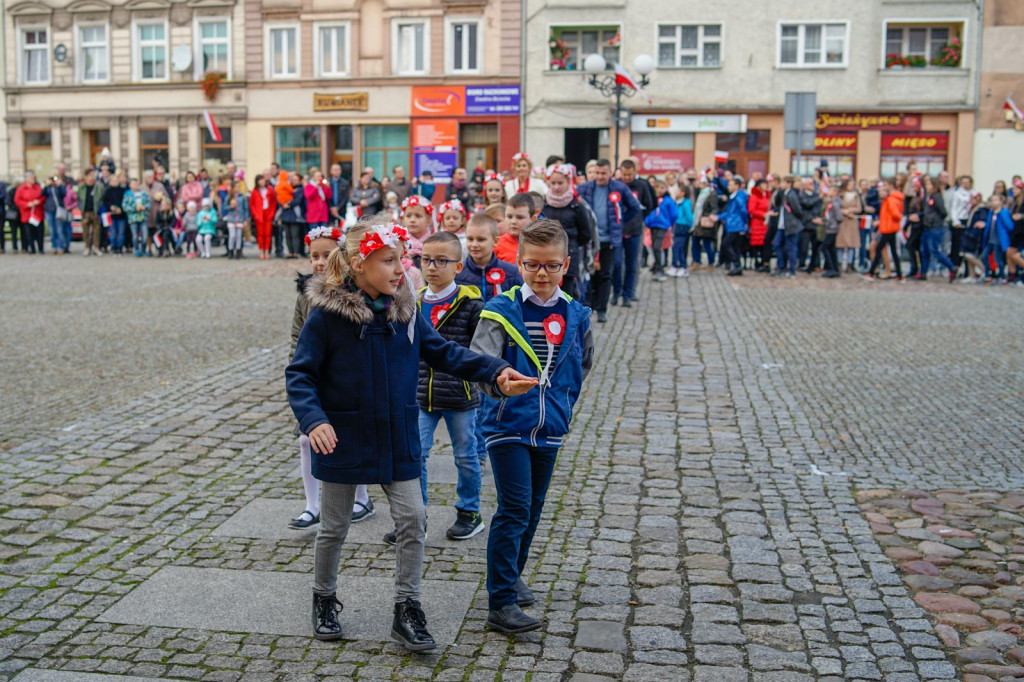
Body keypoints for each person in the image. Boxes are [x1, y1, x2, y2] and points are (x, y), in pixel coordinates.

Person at [286, 218, 535, 648]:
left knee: (413, 519)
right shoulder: (326, 316)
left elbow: (445, 352)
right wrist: (314, 419)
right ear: (359, 265)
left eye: (401, 259)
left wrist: (496, 371)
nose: (401, 268)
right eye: (389, 260)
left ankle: (407, 608)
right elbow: (300, 374)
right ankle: (323, 598)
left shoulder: (406, 312)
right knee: (334, 526)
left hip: (397, 435)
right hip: (344, 436)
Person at [470, 219, 594, 634]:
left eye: (551, 265)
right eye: (533, 265)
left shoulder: (576, 313)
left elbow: (582, 364)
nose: (542, 273)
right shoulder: (500, 310)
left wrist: (563, 403)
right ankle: (500, 602)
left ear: (566, 265)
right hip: (507, 422)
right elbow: (481, 362)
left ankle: (511, 574)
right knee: (515, 507)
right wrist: (499, 384)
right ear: (519, 262)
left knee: (534, 508)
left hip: (550, 426)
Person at [388, 231, 490, 543]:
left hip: (459, 393)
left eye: (441, 261)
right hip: (420, 393)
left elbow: (480, 349)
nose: (432, 267)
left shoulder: (471, 304)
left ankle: (469, 512)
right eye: (426, 260)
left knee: (466, 456)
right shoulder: (412, 301)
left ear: (458, 266)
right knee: (415, 454)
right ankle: (416, 518)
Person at [288, 225, 376, 530]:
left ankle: (362, 498)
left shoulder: (353, 290)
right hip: (315, 379)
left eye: (326, 255)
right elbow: (297, 337)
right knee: (306, 438)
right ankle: (312, 505)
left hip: (346, 379)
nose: (320, 262)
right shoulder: (305, 293)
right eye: (314, 256)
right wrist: (299, 372)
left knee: (352, 436)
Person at [576, 159, 641, 323]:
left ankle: (602, 309)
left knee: (606, 274)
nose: (599, 176)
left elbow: (635, 207)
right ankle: (589, 306)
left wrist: (620, 221)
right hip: (590, 240)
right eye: (597, 173)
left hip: (609, 240)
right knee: (590, 274)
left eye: (603, 173)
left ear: (610, 173)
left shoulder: (619, 188)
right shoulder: (584, 188)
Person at [542, 163, 592, 298]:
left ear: (568, 182)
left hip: (569, 255)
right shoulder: (544, 204)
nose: (556, 187)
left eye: (560, 183)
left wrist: (571, 244)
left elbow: (586, 233)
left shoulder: (576, 206)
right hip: (546, 256)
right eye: (553, 183)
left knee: (566, 294)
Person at [612, 160, 655, 305]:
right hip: (617, 231)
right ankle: (616, 291)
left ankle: (628, 294)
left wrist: (639, 218)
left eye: (630, 175)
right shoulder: (615, 185)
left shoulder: (642, 186)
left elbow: (649, 204)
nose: (627, 177)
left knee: (632, 264)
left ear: (635, 172)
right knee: (617, 263)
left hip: (635, 230)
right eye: (624, 174)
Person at [917, 175, 957, 282]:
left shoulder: (936, 196)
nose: (927, 186)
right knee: (924, 250)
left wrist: (933, 220)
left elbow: (943, 212)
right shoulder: (927, 197)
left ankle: (951, 266)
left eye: (929, 184)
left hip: (935, 227)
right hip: (926, 227)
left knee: (934, 250)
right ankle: (923, 272)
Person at [865, 179, 904, 282]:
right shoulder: (891, 199)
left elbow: (896, 214)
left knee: (879, 250)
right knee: (892, 251)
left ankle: (872, 272)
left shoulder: (890, 200)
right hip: (888, 227)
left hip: (888, 228)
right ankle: (899, 274)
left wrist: (885, 221)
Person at [644, 179, 679, 282]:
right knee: (653, 246)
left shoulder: (667, 200)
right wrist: (648, 220)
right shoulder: (652, 199)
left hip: (662, 225)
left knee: (657, 246)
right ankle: (656, 265)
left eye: (663, 188)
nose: (661, 190)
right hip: (652, 225)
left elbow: (674, 213)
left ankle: (660, 268)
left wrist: (668, 222)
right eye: (659, 188)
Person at [770, 176, 805, 278]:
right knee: (776, 244)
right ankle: (781, 267)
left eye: (783, 183)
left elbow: (797, 210)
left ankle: (792, 270)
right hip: (782, 225)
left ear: (789, 183)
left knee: (791, 248)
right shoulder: (783, 194)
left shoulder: (791, 195)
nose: (781, 184)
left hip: (790, 225)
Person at [494, 193, 535, 264]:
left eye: (520, 217)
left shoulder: (540, 244)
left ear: (533, 219)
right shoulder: (497, 244)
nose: (513, 222)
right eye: (509, 217)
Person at [76, 169, 105, 257]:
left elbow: (101, 197)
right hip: (85, 211)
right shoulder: (82, 187)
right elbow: (78, 198)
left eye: (93, 175)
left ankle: (96, 247)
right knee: (86, 231)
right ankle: (87, 247)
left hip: (95, 211)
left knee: (96, 231)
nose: (91, 177)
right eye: (90, 175)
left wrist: (99, 206)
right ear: (86, 176)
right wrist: (81, 207)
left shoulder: (98, 186)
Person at [14, 171, 45, 254]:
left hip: (37, 213)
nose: (33, 179)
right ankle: (32, 248)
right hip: (27, 214)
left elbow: (43, 196)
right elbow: (17, 200)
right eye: (31, 178)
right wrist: (27, 204)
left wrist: (39, 201)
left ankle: (41, 248)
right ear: (27, 179)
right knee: (29, 233)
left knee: (39, 232)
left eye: (33, 178)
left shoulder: (38, 187)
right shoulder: (21, 189)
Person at [798, 177, 823, 273]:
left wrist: (819, 218)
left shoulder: (816, 195)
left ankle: (815, 264)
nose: (812, 185)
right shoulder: (802, 195)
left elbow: (819, 208)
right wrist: (812, 219)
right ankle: (802, 264)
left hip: (816, 224)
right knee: (804, 247)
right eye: (810, 184)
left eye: (813, 183)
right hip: (806, 224)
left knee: (816, 247)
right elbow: (807, 204)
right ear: (804, 186)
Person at [251, 174, 277, 260]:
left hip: (268, 213)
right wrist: (255, 214)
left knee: (268, 234)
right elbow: (252, 204)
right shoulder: (255, 191)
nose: (262, 182)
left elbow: (273, 202)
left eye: (263, 180)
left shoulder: (269, 189)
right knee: (260, 234)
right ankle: (261, 251)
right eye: (260, 180)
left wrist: (272, 213)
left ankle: (267, 251)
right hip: (259, 214)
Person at [122, 178, 151, 258]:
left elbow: (149, 203)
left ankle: (144, 249)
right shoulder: (127, 195)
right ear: (130, 185)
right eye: (133, 184)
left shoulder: (143, 194)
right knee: (135, 236)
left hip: (143, 217)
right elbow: (124, 206)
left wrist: (144, 207)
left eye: (137, 184)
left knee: (145, 235)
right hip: (133, 218)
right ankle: (137, 249)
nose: (135, 186)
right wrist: (134, 208)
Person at [281, 172, 307, 258]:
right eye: (292, 179)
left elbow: (298, 200)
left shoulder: (301, 189)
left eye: (295, 180)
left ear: (299, 181)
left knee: (295, 235)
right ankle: (290, 252)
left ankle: (296, 252)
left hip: (296, 216)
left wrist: (288, 204)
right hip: (286, 215)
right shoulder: (286, 188)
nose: (293, 181)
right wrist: (282, 204)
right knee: (288, 235)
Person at [669, 184, 694, 277]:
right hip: (676, 226)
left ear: (683, 193)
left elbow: (689, 216)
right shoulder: (676, 202)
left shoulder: (686, 203)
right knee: (675, 247)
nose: (676, 192)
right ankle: (675, 265)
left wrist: (690, 225)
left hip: (683, 226)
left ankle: (682, 267)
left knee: (678, 247)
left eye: (678, 191)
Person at [747, 178, 770, 272]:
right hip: (757, 222)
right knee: (757, 244)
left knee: (766, 243)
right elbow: (751, 210)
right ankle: (757, 262)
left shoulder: (767, 196)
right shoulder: (754, 197)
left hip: (766, 223)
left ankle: (765, 262)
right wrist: (763, 214)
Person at [821, 184, 843, 278]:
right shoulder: (831, 202)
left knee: (825, 247)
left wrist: (826, 222)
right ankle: (835, 268)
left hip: (832, 228)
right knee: (831, 249)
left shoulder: (835, 203)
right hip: (830, 227)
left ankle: (831, 268)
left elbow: (839, 217)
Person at [327, 163, 350, 228]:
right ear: (331, 171)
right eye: (335, 170)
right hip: (330, 211)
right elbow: (326, 196)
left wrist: (338, 207)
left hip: (341, 210)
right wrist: (331, 207)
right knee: (331, 229)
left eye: (339, 169)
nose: (337, 171)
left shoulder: (345, 183)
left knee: (341, 230)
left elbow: (346, 197)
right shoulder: (327, 182)